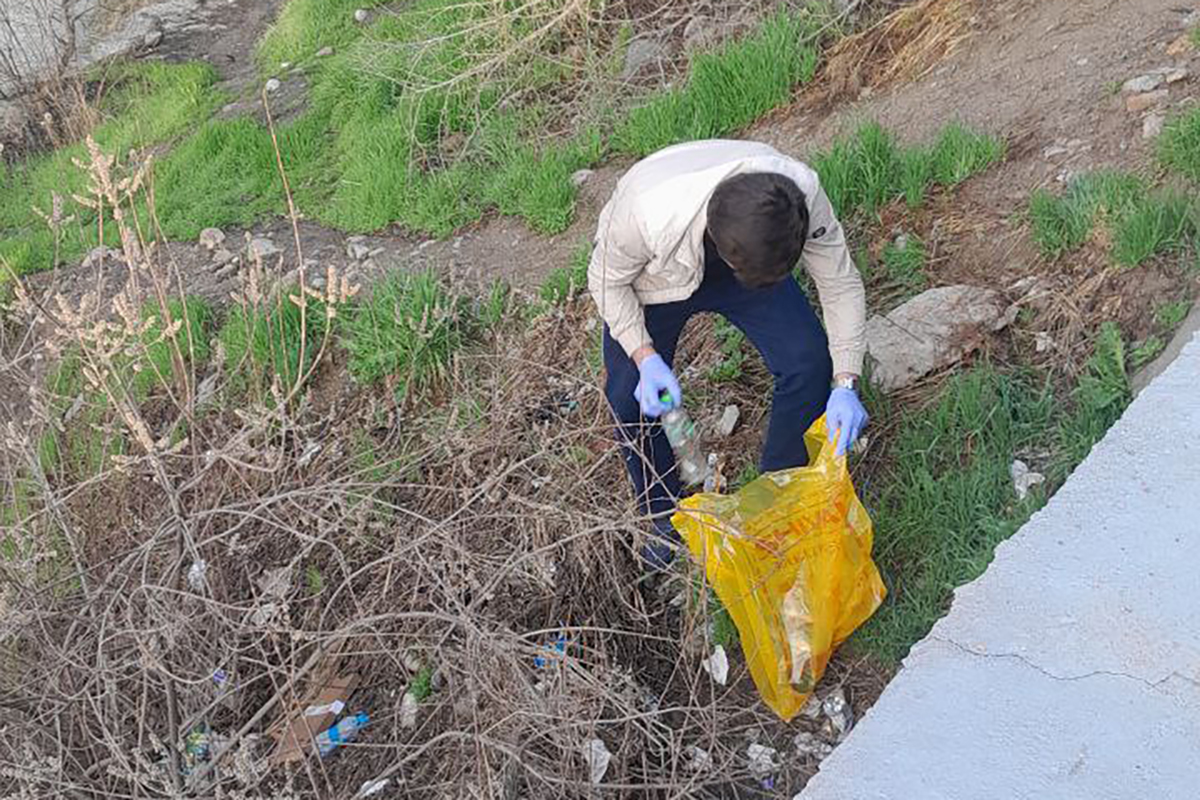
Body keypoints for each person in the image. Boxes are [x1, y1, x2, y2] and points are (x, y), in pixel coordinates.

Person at [587, 139, 869, 569]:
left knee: (808, 360)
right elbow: (605, 282)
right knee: (628, 398)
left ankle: (779, 492)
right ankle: (664, 514)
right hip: (655, 276)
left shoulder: (798, 195)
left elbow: (840, 283)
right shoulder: (645, 214)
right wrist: (645, 357)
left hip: (749, 254)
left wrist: (846, 381)